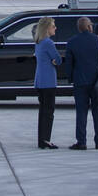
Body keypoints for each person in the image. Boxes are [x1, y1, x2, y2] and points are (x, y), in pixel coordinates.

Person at [64, 16, 98, 150]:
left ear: (79, 28)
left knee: (81, 112)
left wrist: (71, 78)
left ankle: (81, 141)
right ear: (90, 27)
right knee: (97, 111)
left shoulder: (72, 42)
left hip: (80, 81)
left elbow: (69, 64)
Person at [33, 17, 61, 149]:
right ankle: (46, 139)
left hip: (40, 80)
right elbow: (58, 59)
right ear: (47, 28)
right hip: (48, 81)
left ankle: (42, 139)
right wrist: (55, 61)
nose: (55, 28)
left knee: (43, 111)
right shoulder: (48, 43)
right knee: (49, 112)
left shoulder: (39, 42)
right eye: (53, 26)